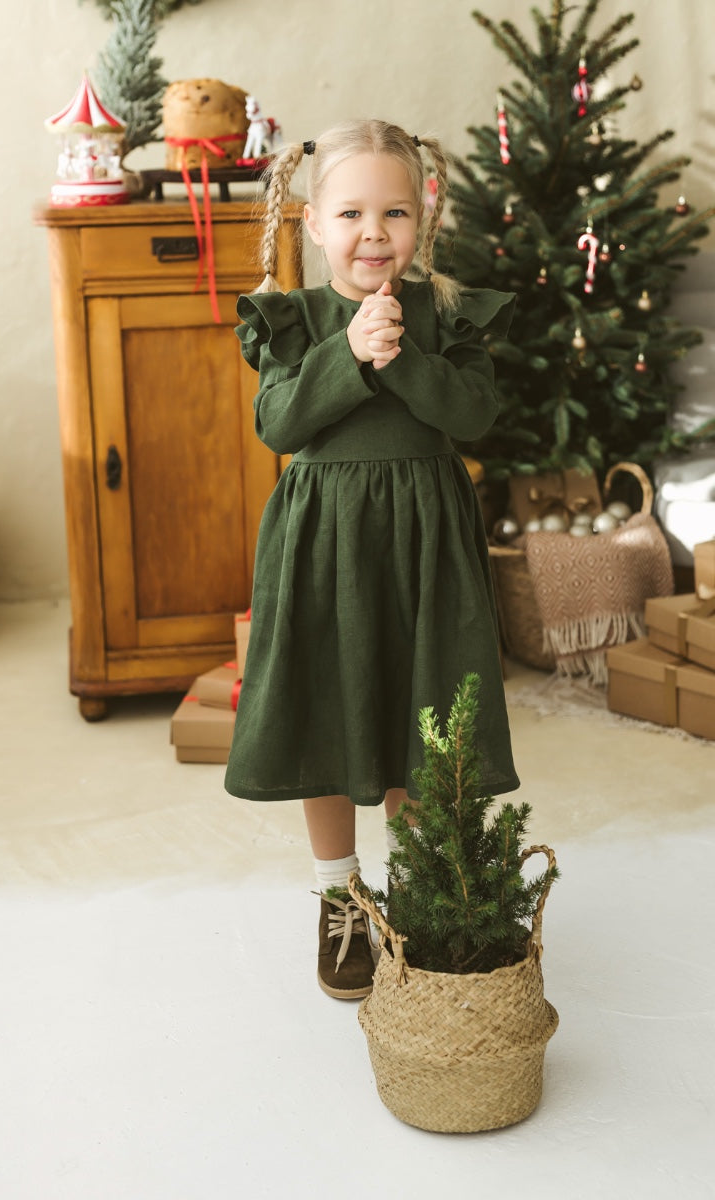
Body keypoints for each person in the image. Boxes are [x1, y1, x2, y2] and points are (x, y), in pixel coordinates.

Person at [224, 119, 519, 1000]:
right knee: (329, 711)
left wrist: (405, 357)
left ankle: (423, 892)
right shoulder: (294, 321)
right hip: (326, 549)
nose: (374, 233)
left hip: (428, 549)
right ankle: (340, 898)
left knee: (421, 712)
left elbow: (471, 417)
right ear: (313, 224)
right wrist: (349, 352)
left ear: (423, 216)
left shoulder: (447, 315)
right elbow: (279, 424)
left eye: (395, 211)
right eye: (350, 212)